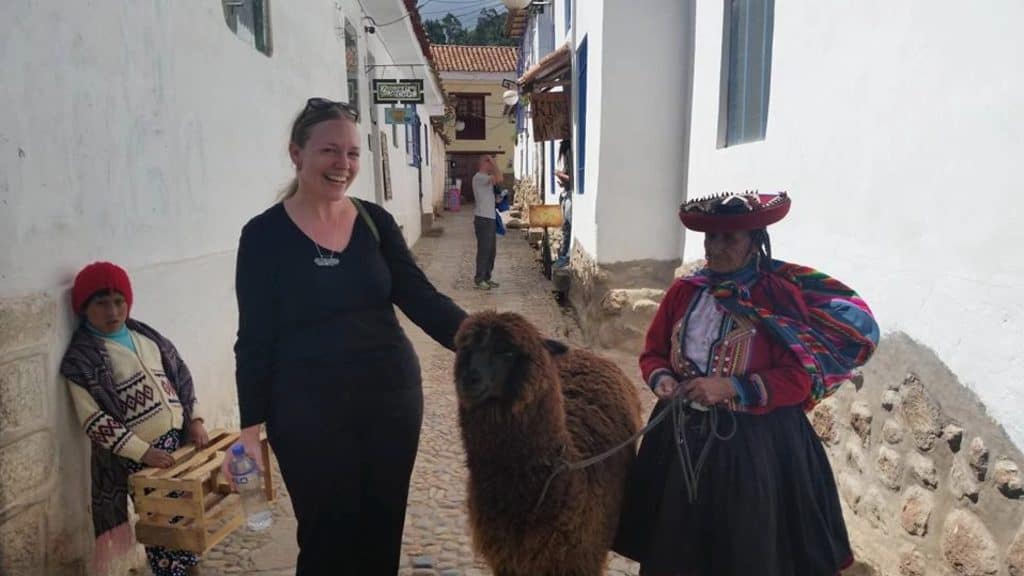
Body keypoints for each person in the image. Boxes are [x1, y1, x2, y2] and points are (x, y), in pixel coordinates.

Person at [228, 97, 467, 575]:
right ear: (297, 154)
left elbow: (419, 297)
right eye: (329, 151)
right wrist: (249, 430)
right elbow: (254, 338)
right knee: (325, 538)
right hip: (306, 411)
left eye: (354, 153)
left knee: (381, 535)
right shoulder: (263, 236)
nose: (344, 165)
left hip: (390, 401)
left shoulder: (375, 222)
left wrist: (495, 340)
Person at [614, 192, 879, 576]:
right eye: (711, 239)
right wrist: (664, 380)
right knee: (675, 542)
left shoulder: (776, 297)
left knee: (750, 545)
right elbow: (653, 352)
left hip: (758, 447)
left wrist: (729, 388)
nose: (716, 248)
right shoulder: (685, 293)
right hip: (680, 438)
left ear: (755, 243)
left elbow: (798, 379)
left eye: (729, 239)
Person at [60, 261, 210, 576]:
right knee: (161, 522)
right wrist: (143, 452)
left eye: (119, 302)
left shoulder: (147, 337)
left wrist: (194, 420)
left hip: (177, 443)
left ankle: (188, 568)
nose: (113, 311)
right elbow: (94, 421)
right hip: (140, 454)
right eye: (101, 304)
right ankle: (175, 572)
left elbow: (180, 375)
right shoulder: (82, 359)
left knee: (186, 515)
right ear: (84, 309)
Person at [472, 154, 502, 290]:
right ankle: (479, 279)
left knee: (491, 250)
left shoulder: (487, 179)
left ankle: (487, 277)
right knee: (484, 250)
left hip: (490, 217)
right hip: (483, 218)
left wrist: (497, 200)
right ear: (484, 163)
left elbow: (493, 190)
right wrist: (494, 163)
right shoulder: (479, 177)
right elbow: (500, 177)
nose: (491, 166)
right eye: (489, 163)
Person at [554, 140, 573, 268]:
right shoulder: (568, 156)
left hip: (569, 196)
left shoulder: (568, 155)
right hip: (566, 193)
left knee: (567, 227)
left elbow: (571, 178)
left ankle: (565, 255)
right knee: (565, 227)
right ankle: (564, 254)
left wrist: (558, 173)